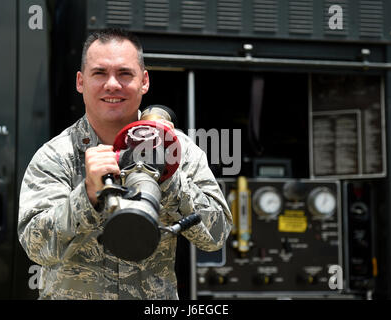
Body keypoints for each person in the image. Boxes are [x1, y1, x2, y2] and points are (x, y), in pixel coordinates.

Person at [18, 28, 232, 300]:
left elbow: (216, 237)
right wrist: (87, 197)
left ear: (144, 82)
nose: (112, 85)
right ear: (80, 82)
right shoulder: (56, 156)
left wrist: (168, 175)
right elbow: (36, 248)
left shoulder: (177, 149)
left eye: (124, 74)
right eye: (99, 73)